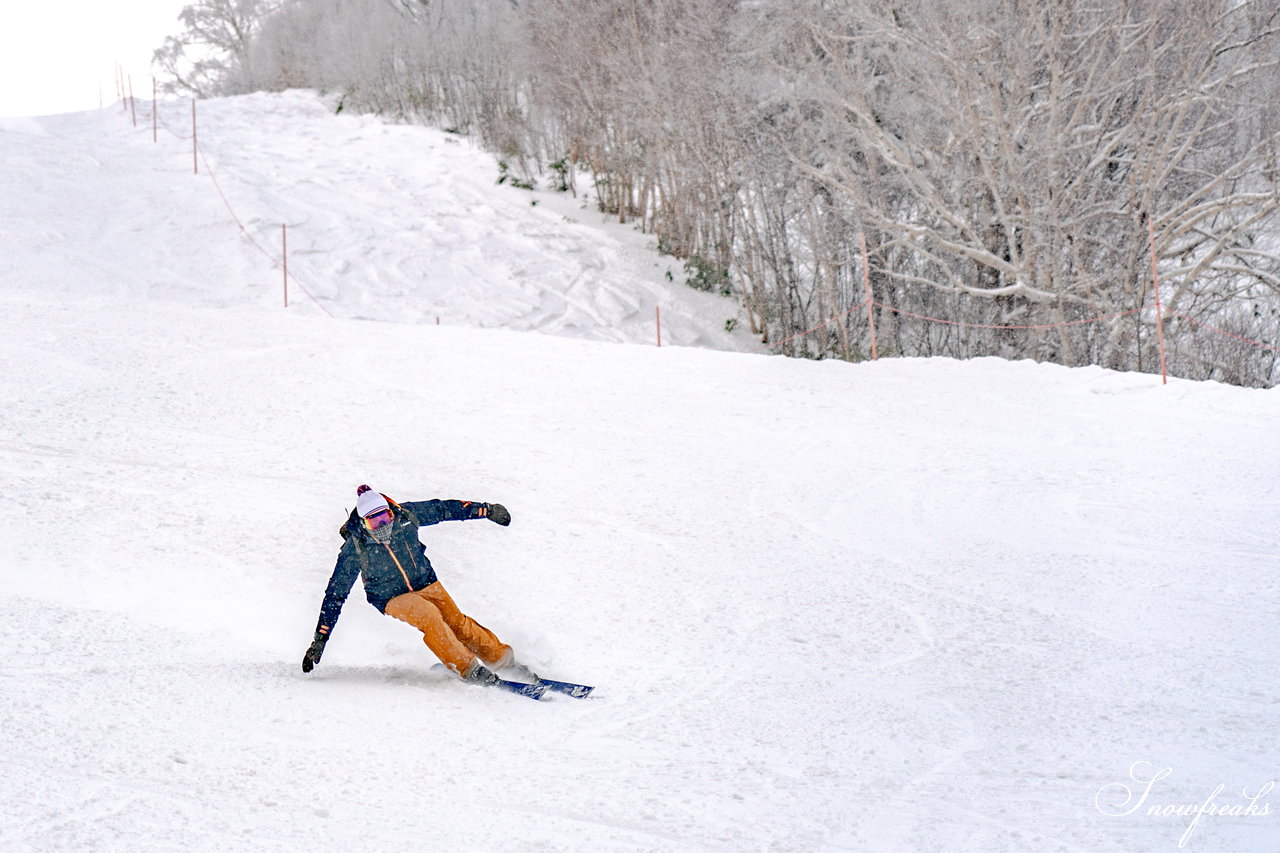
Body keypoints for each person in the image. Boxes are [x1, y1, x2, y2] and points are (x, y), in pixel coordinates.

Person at [302, 484, 518, 687]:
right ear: (363, 523)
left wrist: (487, 510)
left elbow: (443, 509)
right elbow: (336, 594)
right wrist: (320, 639)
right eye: (374, 523)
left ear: (390, 511)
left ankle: (501, 659)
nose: (383, 526)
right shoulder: (355, 547)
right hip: (390, 597)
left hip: (426, 582)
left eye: (385, 517)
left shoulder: (406, 515)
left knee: (457, 623)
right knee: (429, 616)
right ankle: (469, 668)